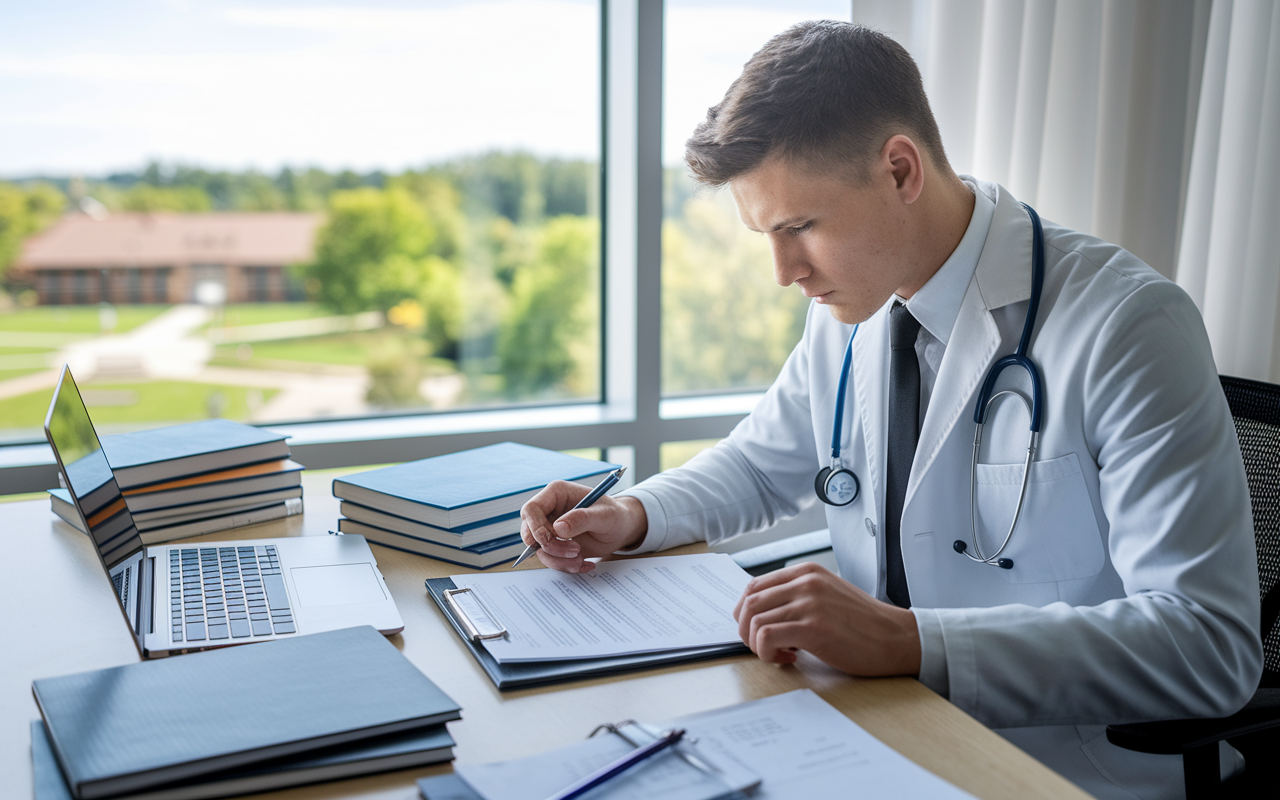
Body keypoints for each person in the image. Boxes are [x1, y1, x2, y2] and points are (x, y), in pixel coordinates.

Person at [519, 21, 1261, 800]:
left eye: (800, 226)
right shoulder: (854, 306)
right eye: (766, 235)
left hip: (1057, 770)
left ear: (900, 169)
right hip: (879, 729)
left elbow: (1206, 646)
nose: (784, 271)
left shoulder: (1127, 325)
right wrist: (632, 514)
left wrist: (910, 641)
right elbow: (761, 463)